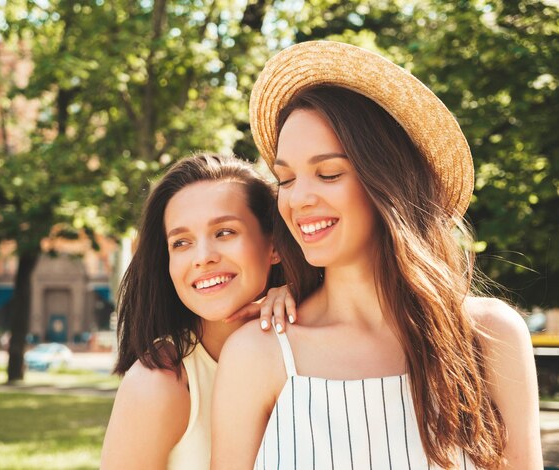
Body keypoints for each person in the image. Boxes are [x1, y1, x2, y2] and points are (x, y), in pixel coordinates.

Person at [212, 41, 542, 469]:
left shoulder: (490, 337)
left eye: (328, 173)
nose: (299, 199)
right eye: (286, 179)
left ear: (387, 182)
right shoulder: (258, 354)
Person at [101, 153, 291, 469]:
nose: (202, 258)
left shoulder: (309, 345)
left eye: (224, 232)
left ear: (274, 245)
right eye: (181, 243)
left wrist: (302, 297)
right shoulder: (158, 384)